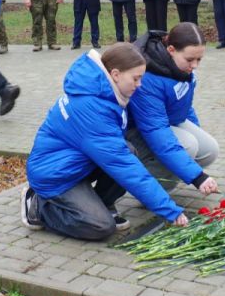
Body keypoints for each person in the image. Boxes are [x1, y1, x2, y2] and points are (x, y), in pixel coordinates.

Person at [21, 43, 192, 240]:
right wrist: (170, 210)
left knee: (129, 150)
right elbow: (125, 167)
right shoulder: (92, 109)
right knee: (100, 226)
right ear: (116, 74)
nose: (139, 85)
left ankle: (102, 202)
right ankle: (38, 206)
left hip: (75, 164)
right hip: (55, 177)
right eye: (136, 78)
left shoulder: (103, 92)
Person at [126, 23, 220, 194]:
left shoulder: (181, 67)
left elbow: (184, 105)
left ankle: (175, 169)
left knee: (209, 149)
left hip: (165, 121)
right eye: (190, 60)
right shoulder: (148, 79)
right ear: (171, 50)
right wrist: (197, 176)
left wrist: (196, 131)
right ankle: (151, 192)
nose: (195, 65)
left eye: (199, 59)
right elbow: (156, 131)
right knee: (188, 145)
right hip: (136, 130)